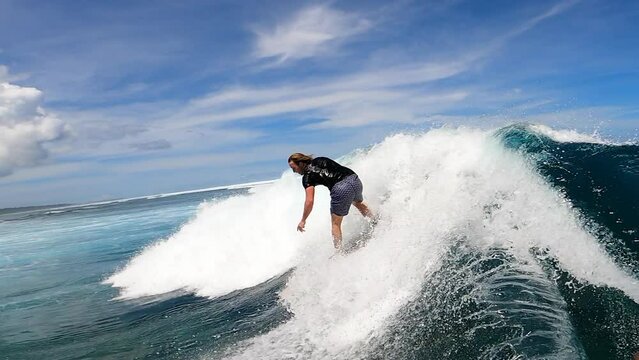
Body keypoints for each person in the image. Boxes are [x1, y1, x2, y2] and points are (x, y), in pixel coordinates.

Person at [288, 153, 374, 250]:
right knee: (357, 202)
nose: (294, 171)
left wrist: (303, 220)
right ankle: (375, 222)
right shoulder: (320, 159)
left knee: (335, 224)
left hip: (341, 189)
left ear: (300, 164)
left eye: (294, 168)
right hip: (354, 179)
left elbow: (309, 201)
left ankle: (339, 253)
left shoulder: (307, 177)